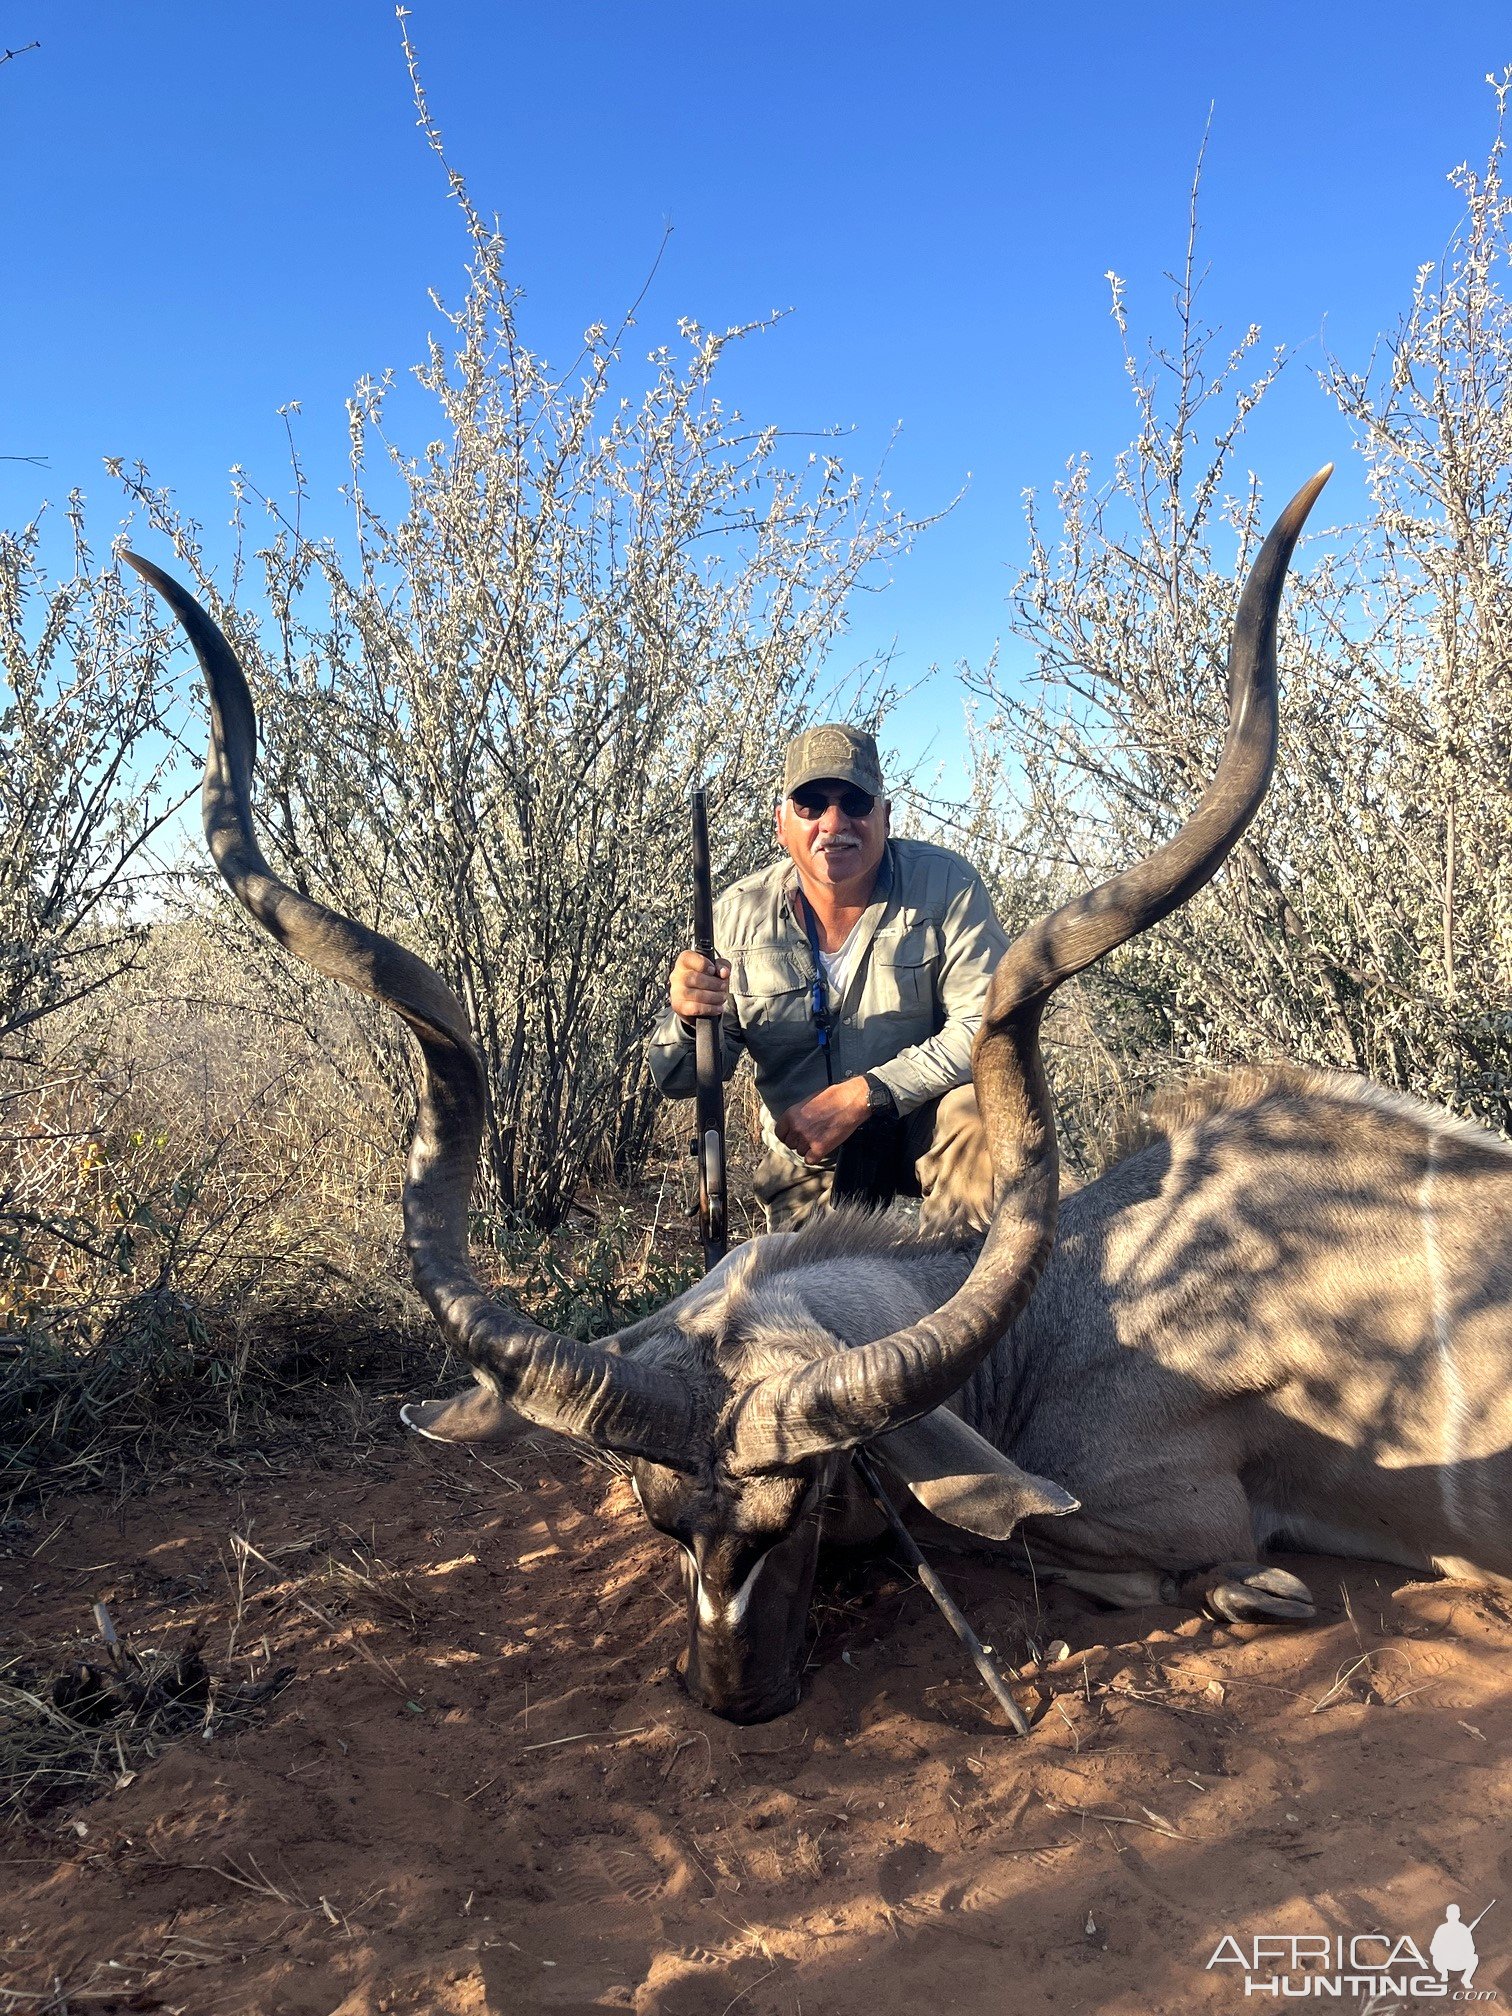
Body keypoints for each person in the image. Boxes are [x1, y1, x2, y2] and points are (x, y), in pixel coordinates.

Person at [648, 723, 1008, 1236]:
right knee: (809, 1300)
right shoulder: (736, 915)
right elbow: (678, 1077)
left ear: (885, 815)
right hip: (809, 1160)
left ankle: (974, 1291)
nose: (834, 822)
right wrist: (688, 1019)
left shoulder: (947, 884)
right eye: (811, 804)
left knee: (983, 1119)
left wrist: (867, 1094)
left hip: (921, 1129)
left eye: (856, 802)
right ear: (781, 824)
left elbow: (986, 1025)